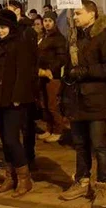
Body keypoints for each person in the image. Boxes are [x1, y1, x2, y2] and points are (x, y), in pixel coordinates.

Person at [60, 0, 106, 207]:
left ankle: (103, 186)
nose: (75, 17)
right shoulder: (75, 38)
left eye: (79, 13)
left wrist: (86, 72)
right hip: (76, 99)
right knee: (80, 145)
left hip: (96, 100)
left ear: (92, 14)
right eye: (74, 14)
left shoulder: (104, 37)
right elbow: (69, 68)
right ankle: (82, 181)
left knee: (99, 146)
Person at [0, 10, 36, 197]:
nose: (0, 31)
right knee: (5, 140)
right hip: (0, 98)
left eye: (3, 27)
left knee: (11, 139)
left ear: (11, 27)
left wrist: (18, 96)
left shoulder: (20, 43)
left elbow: (24, 73)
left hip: (14, 99)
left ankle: (25, 178)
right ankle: (11, 176)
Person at [6, 0, 39, 167]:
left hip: (27, 83)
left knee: (27, 123)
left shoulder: (27, 30)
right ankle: (15, 158)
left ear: (18, 10)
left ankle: (28, 155)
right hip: (12, 82)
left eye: (9, 9)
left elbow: (31, 58)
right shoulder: (10, 29)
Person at [36, 11, 68, 143]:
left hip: (52, 76)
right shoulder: (44, 36)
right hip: (41, 74)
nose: (47, 23)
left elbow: (61, 58)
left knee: (52, 104)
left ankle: (58, 130)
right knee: (44, 104)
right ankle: (49, 128)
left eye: (50, 21)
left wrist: (50, 69)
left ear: (54, 22)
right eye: (45, 20)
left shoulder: (58, 38)